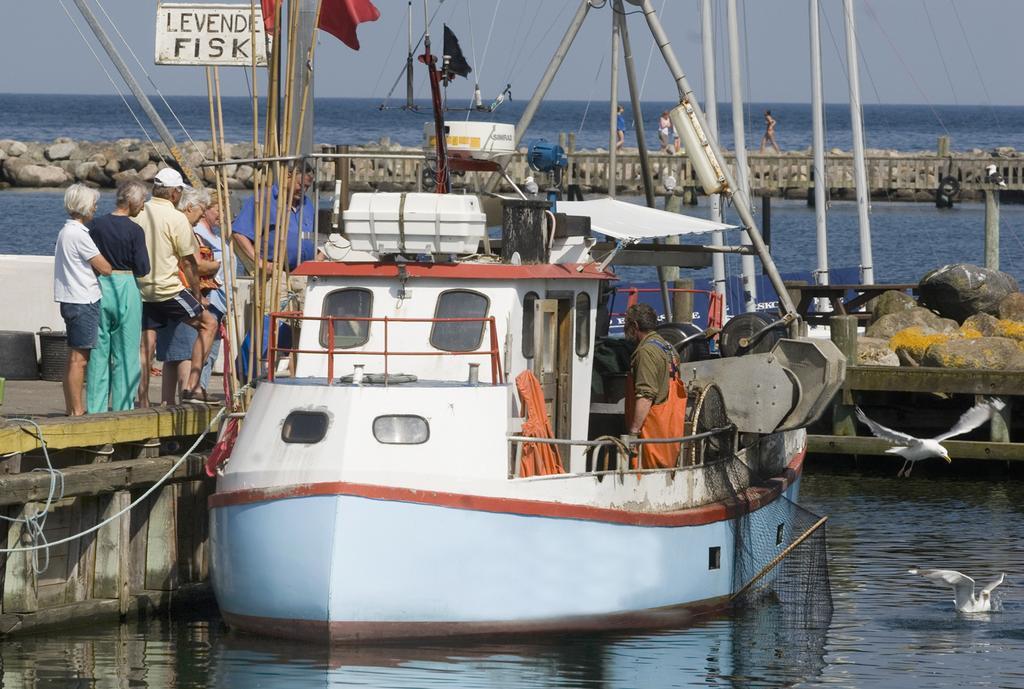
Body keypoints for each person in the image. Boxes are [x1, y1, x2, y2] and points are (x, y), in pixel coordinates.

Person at [134, 168, 218, 406]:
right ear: (174, 193)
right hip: (168, 289)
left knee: (146, 346)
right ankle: (192, 385)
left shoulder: (139, 212)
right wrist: (196, 294)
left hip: (141, 289)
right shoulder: (176, 218)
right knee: (209, 324)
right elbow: (190, 263)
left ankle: (142, 399)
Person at [85, 180, 150, 413]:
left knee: (98, 351)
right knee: (126, 352)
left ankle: (95, 408)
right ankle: (123, 408)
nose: (143, 207)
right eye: (142, 202)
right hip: (125, 285)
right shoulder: (135, 230)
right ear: (132, 201)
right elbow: (143, 268)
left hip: (98, 285)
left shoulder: (97, 225)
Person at [156, 187, 222, 404]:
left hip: (163, 292)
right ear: (189, 207)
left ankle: (169, 400)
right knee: (185, 350)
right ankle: (190, 390)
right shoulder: (182, 227)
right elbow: (192, 264)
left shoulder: (166, 223)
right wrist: (214, 265)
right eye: (201, 210)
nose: (202, 215)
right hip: (181, 292)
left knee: (172, 355)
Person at [53, 184, 112, 416]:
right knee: (80, 360)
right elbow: (104, 267)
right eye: (94, 204)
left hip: (69, 299)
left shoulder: (65, 231)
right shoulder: (79, 234)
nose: (95, 208)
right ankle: (77, 411)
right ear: (85, 206)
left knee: (72, 358)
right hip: (83, 299)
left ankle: (72, 408)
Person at [623, 303, 687, 469]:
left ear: (635, 326)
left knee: (645, 477)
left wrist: (633, 433)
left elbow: (646, 396)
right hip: (670, 432)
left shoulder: (646, 352)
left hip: (651, 433)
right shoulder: (669, 348)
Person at [231, 163, 315, 272]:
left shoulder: (307, 204)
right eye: (300, 184)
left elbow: (318, 236)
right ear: (289, 176)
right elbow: (239, 233)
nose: (304, 190)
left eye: (307, 187)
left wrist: (319, 258)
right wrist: (260, 263)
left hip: (306, 273)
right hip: (275, 275)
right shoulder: (264, 199)